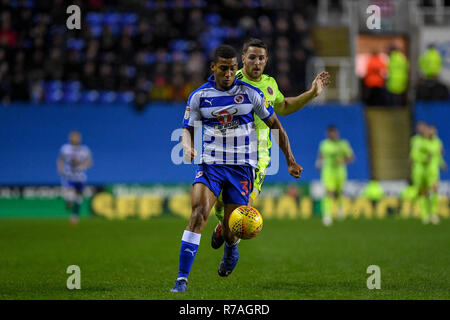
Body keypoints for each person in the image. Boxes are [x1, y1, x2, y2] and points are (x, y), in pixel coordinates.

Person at [170, 44, 303, 292]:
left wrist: (289, 159)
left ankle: (231, 246)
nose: (229, 73)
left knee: (233, 229)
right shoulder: (199, 96)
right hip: (211, 165)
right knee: (198, 214)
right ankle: (181, 280)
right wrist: (187, 147)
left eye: (232, 68)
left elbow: (276, 125)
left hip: (242, 168)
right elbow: (187, 129)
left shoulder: (251, 94)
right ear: (213, 67)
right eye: (224, 68)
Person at [210, 38, 330, 249]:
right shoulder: (229, 81)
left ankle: (231, 250)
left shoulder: (270, 84)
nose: (257, 62)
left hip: (256, 158)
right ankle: (222, 225)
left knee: (242, 210)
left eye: (261, 58)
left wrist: (311, 93)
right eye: (253, 57)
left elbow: (283, 107)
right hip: (227, 153)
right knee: (220, 204)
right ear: (243, 58)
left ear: (267, 61)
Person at [315, 126, 354, 226]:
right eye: (330, 133)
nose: (332, 135)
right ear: (327, 134)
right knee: (329, 193)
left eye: (333, 133)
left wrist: (343, 161)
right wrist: (318, 164)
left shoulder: (343, 144)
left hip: (340, 172)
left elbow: (351, 157)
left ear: (337, 133)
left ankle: (340, 210)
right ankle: (327, 216)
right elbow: (320, 156)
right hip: (328, 172)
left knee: (338, 193)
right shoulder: (324, 144)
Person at [57, 131, 93, 225]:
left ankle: (74, 217)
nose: (76, 139)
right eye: (74, 137)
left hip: (80, 177)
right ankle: (68, 200)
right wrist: (60, 169)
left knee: (79, 198)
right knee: (70, 195)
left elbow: (89, 161)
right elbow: (60, 159)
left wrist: (83, 166)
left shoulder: (84, 150)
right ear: (70, 138)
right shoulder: (65, 149)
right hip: (69, 176)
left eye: (77, 137)